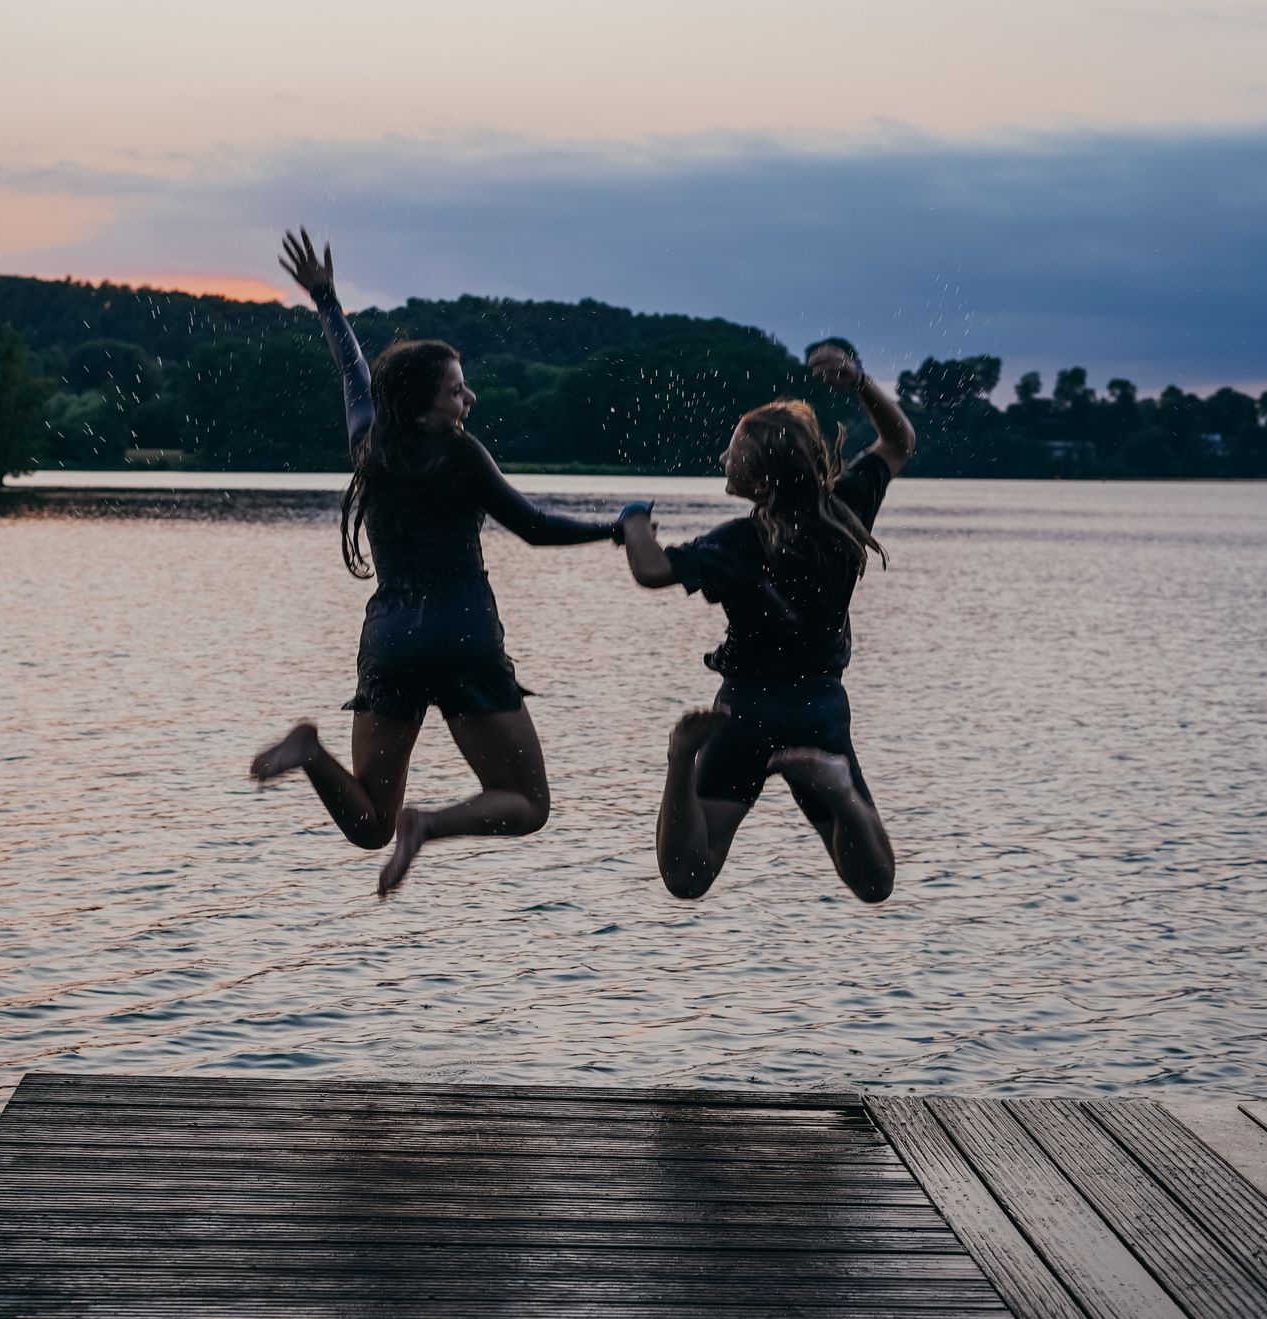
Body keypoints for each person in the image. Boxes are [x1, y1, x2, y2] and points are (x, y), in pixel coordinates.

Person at [251, 229, 634, 896]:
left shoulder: (368, 443)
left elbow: (352, 371)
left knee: (371, 823)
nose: (469, 401)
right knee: (527, 803)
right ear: (426, 403)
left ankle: (310, 752)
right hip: (463, 637)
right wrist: (615, 528)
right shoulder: (459, 453)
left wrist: (326, 300)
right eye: (457, 391)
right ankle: (429, 824)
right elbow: (534, 528)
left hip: (391, 638)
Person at [618, 341, 915, 903]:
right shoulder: (845, 511)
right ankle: (841, 794)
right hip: (820, 711)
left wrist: (634, 519)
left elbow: (652, 570)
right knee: (874, 886)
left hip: (744, 711)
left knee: (688, 878)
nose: (723, 460)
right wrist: (858, 383)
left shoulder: (737, 542)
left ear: (759, 475)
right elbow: (899, 440)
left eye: (732, 453)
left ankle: (680, 754)